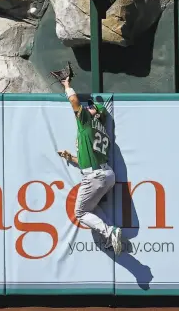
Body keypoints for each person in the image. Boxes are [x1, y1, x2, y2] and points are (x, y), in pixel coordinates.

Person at [57, 77, 123, 256]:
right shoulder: (101, 129)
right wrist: (70, 157)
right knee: (91, 208)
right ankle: (110, 236)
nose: (88, 107)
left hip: (95, 176)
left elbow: (74, 101)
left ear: (96, 113)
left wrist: (67, 85)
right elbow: (89, 159)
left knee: (80, 212)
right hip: (106, 173)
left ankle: (110, 232)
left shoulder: (87, 121)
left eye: (92, 107)